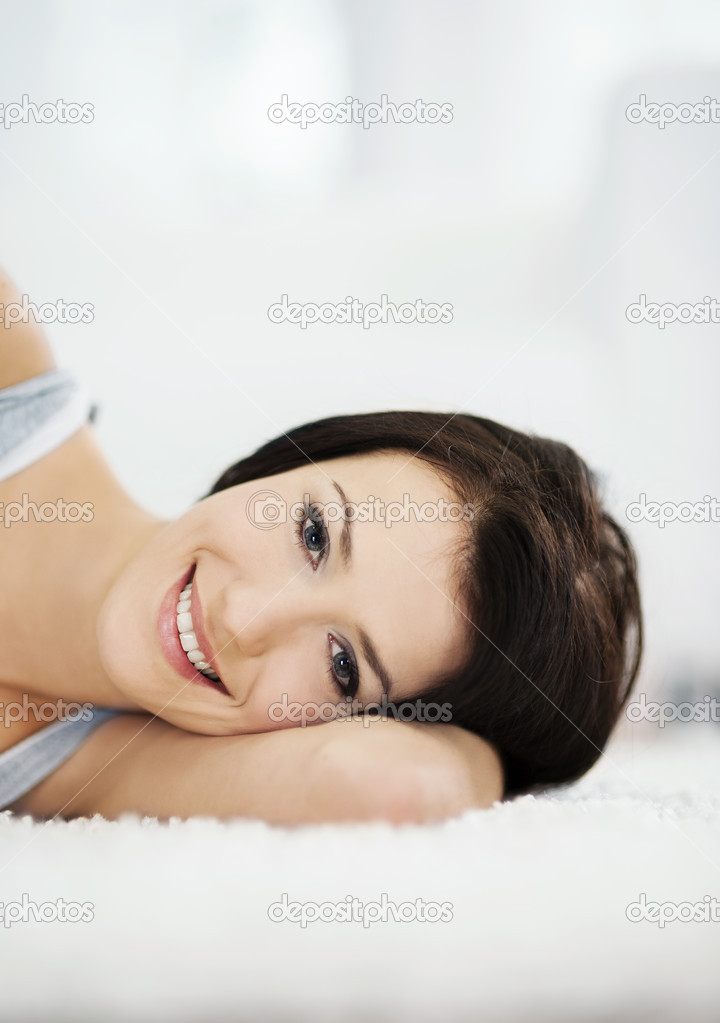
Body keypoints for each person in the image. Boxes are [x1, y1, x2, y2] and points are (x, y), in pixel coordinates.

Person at [0, 268, 642, 824]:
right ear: (285, 461)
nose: (245, 618)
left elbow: (399, 786)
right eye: (313, 534)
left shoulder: (101, 765)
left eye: (342, 667)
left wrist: (493, 752)